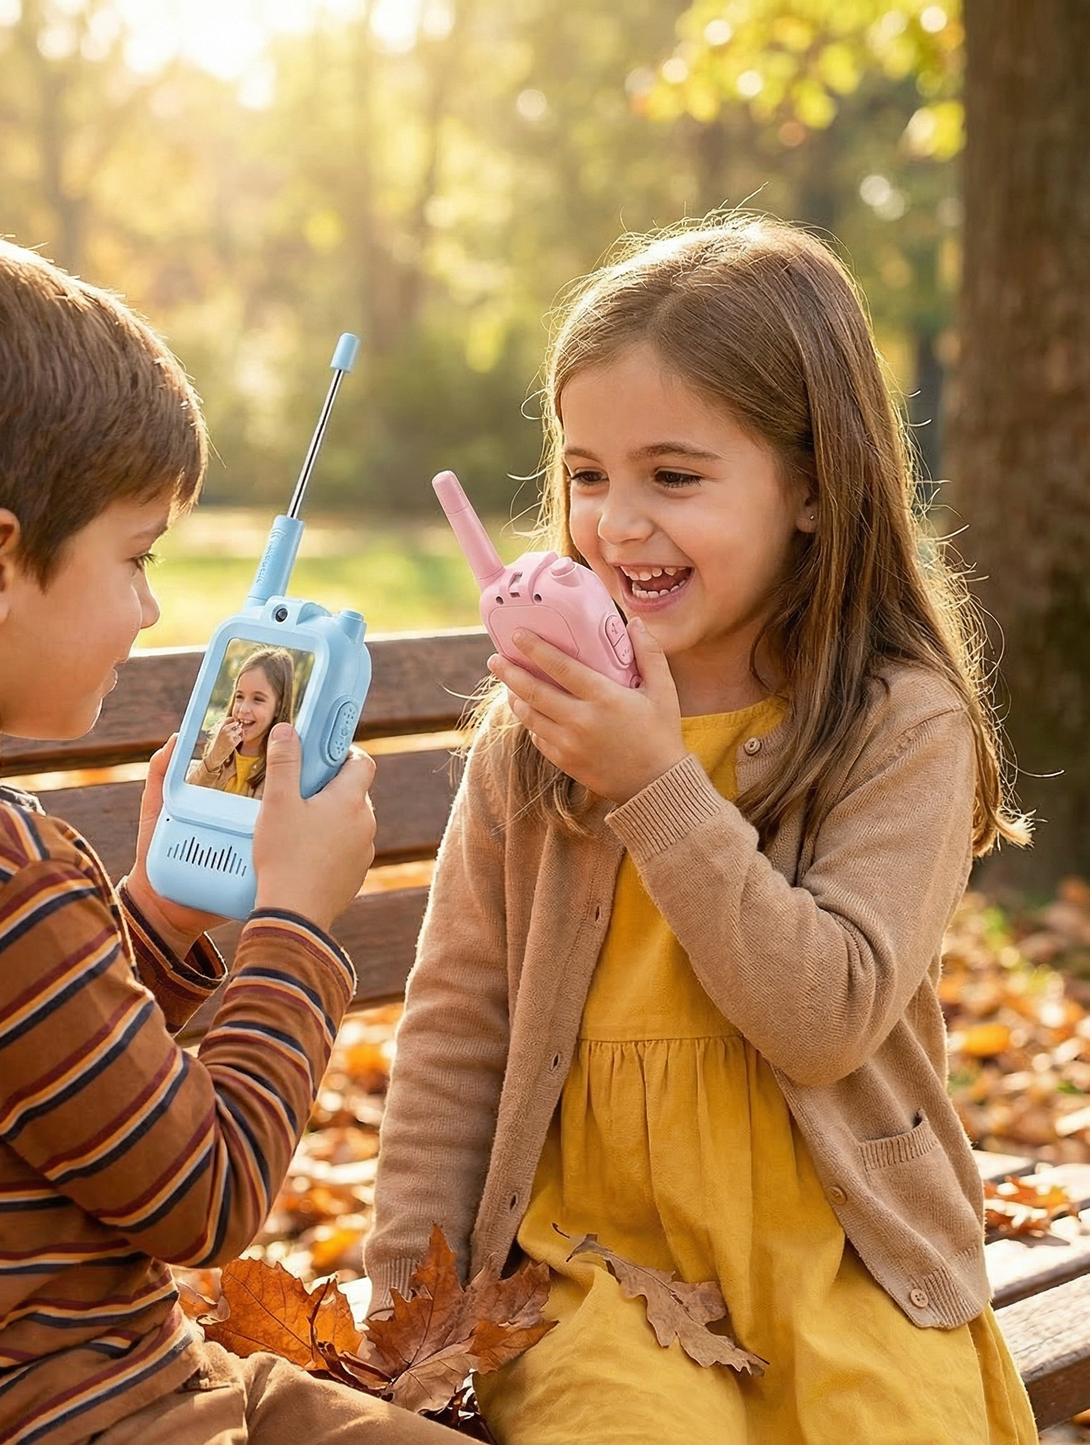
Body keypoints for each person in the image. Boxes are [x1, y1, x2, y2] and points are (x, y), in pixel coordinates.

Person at [0, 223, 457, 1445]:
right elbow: (206, 1194)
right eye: (134, 555)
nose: (150, 606)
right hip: (64, 1413)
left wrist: (155, 927)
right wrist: (292, 929)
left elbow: (9, 1078)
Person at [364, 216, 1037, 1444]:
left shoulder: (898, 725)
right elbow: (457, 1026)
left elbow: (821, 1014)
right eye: (585, 474)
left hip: (837, 1253)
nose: (615, 524)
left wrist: (657, 783)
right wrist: (405, 1309)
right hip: (592, 1264)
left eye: (672, 477)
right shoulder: (536, 736)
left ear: (814, 490)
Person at [187, 648, 295, 798]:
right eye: (239, 696)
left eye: (258, 699)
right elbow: (187, 799)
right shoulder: (220, 752)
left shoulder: (278, 768)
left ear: (279, 706)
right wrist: (214, 758)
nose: (243, 709)